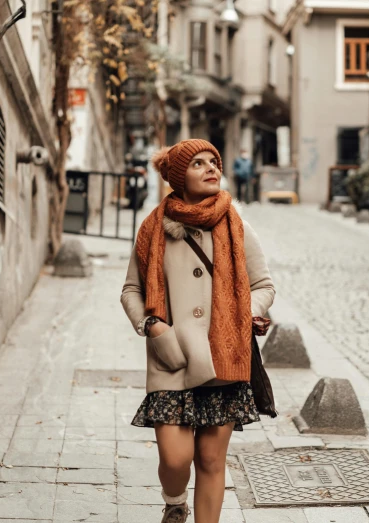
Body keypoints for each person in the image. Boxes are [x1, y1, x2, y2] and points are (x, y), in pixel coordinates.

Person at [121, 139, 275, 523]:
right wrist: (151, 325)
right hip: (171, 356)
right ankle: (175, 502)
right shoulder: (153, 227)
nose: (211, 168)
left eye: (214, 162)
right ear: (178, 176)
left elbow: (264, 286)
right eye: (198, 164)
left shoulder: (236, 223)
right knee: (175, 459)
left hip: (223, 356)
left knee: (209, 459)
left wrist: (244, 314)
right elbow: (131, 290)